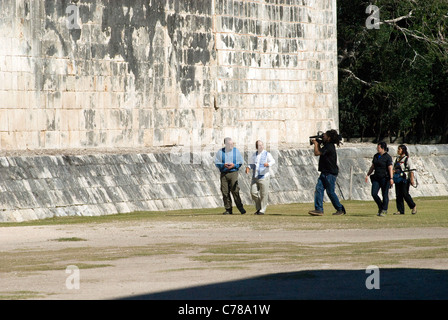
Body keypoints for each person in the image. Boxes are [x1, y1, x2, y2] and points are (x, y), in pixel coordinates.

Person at [308, 129, 346, 216]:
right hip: (325, 172)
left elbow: (317, 153)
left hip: (330, 173)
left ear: (329, 138)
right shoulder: (327, 145)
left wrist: (316, 144)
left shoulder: (329, 146)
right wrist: (318, 143)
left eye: (324, 136)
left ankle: (340, 209)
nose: (322, 137)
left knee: (330, 192)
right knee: (319, 189)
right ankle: (319, 209)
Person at [214, 137, 246, 215]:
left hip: (233, 172)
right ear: (226, 144)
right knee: (225, 191)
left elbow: (240, 161)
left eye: (232, 144)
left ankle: (240, 208)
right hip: (224, 173)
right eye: (230, 144)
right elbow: (217, 162)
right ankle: (228, 209)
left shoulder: (236, 151)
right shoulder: (220, 152)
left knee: (235, 190)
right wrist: (223, 165)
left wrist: (234, 165)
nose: (231, 145)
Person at [245, 140, 276, 215]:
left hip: (264, 176)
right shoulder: (254, 155)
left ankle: (262, 210)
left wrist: (267, 164)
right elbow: (251, 164)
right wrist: (248, 168)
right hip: (255, 177)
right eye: (259, 145)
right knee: (253, 193)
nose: (261, 146)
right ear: (256, 147)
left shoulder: (267, 154)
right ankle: (259, 207)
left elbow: (273, 161)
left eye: (262, 145)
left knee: (263, 194)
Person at [365, 141, 394, 217]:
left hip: (385, 178)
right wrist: (368, 174)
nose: (377, 149)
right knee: (374, 193)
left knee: (385, 194)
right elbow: (373, 166)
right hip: (376, 178)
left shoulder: (387, 157)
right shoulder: (376, 156)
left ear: (382, 148)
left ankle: (384, 209)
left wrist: (391, 178)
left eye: (378, 147)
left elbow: (390, 168)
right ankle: (380, 206)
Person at [393, 144, 417, 215]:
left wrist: (412, 179)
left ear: (403, 150)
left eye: (399, 149)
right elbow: (395, 168)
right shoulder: (397, 159)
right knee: (398, 195)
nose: (398, 150)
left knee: (405, 193)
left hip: (405, 179)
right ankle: (400, 210)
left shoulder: (407, 159)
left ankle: (413, 206)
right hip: (398, 178)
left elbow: (411, 170)